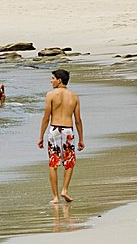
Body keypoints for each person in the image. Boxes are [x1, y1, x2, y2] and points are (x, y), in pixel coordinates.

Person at [37, 69, 84, 204]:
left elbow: (46, 117)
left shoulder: (50, 95)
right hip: (68, 131)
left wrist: (41, 136)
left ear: (59, 80)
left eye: (53, 78)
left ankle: (56, 197)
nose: (51, 81)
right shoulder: (74, 97)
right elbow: (78, 120)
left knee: (53, 163)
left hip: (54, 130)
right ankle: (64, 190)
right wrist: (81, 138)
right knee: (69, 162)